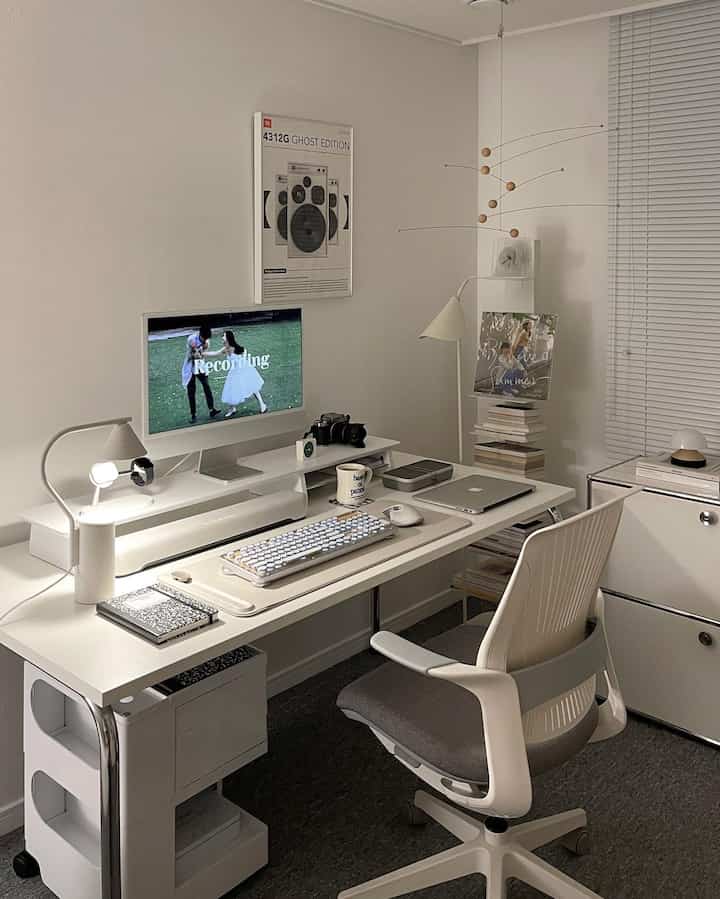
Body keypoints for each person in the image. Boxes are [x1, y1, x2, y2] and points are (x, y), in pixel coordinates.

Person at [208, 331, 268, 417]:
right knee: (231, 389)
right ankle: (232, 408)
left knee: (253, 387)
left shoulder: (236, 347)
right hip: (234, 372)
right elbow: (215, 353)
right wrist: (203, 354)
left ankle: (262, 405)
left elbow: (244, 351)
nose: (222, 337)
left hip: (244, 370)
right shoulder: (226, 348)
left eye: (224, 336)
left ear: (228, 338)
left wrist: (243, 363)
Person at [182, 324, 221, 423]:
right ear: (200, 334)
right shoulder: (191, 339)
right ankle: (193, 414)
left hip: (200, 365)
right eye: (204, 338)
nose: (205, 340)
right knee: (191, 390)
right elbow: (192, 355)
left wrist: (202, 350)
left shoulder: (207, 341)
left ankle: (212, 409)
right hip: (190, 364)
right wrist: (196, 352)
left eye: (206, 339)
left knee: (206, 385)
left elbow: (202, 355)